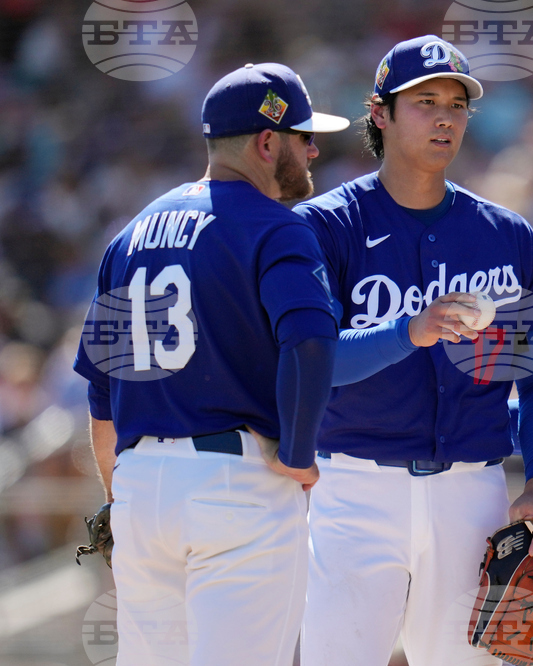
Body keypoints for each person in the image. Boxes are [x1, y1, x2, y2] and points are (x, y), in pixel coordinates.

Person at [293, 36, 533, 666]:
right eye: (424, 101)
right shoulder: (326, 226)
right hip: (356, 485)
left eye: (457, 104)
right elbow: (309, 364)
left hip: (471, 493)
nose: (445, 116)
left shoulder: (504, 235)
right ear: (381, 114)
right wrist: (406, 333)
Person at [72, 63, 347, 665]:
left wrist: (127, 498)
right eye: (303, 137)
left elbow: (101, 396)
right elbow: (312, 343)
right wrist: (299, 455)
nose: (313, 150)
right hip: (236, 486)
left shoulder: (131, 233)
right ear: (267, 141)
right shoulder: (276, 227)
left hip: (141, 487)